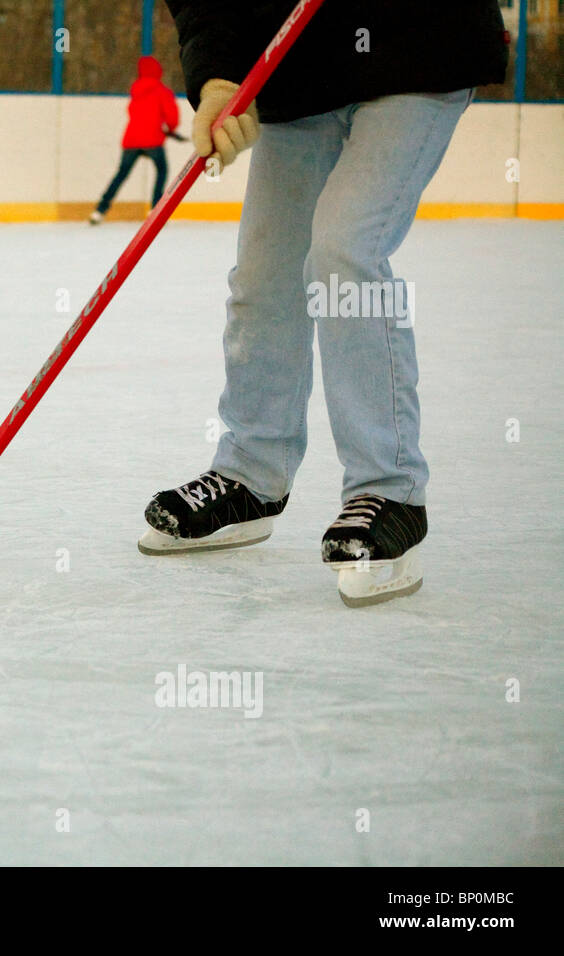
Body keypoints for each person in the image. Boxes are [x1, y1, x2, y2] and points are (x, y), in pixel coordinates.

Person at [138, 1, 508, 606]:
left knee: (343, 253)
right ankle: (251, 475)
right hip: (299, 77)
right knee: (264, 275)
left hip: (417, 49)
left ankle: (390, 489)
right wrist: (217, 76)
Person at [89, 55, 179, 225]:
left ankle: (99, 211)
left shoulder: (136, 90)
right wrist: (170, 129)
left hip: (131, 140)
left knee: (121, 174)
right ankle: (155, 208)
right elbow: (172, 116)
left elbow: (131, 112)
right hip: (153, 140)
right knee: (162, 170)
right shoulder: (162, 90)